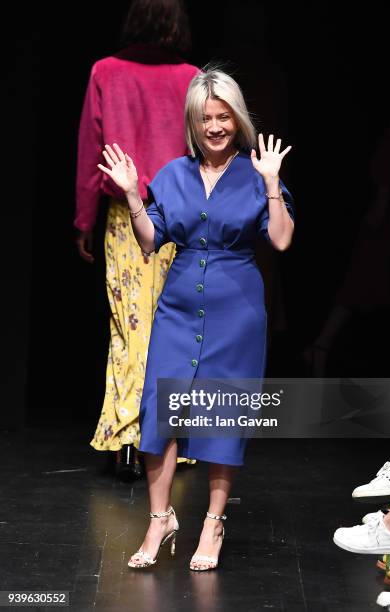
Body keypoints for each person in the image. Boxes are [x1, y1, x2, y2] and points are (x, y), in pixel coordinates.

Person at [97, 68, 294, 570]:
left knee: (223, 413)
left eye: (223, 117)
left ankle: (213, 522)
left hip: (237, 311)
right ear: (193, 121)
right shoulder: (173, 174)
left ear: (238, 120)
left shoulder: (255, 174)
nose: (214, 127)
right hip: (179, 307)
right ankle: (160, 518)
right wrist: (132, 195)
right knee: (161, 409)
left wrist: (272, 184)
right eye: (205, 118)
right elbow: (147, 239)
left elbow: (281, 238)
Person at [74, 0, 199, 480]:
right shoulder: (189, 76)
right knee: (169, 326)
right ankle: (166, 440)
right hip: (177, 213)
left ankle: (128, 440)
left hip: (127, 214)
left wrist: (84, 217)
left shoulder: (106, 71)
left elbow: (92, 149)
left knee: (129, 326)